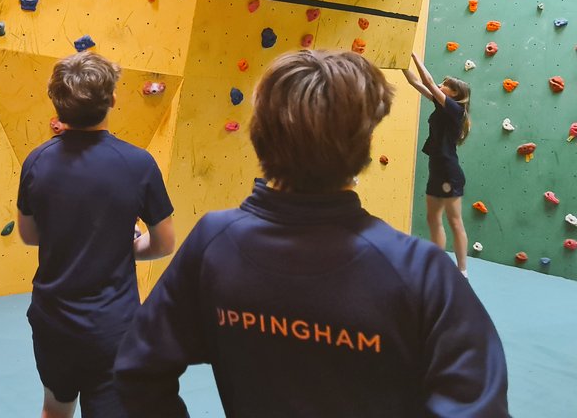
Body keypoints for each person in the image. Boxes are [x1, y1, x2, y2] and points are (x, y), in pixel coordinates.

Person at [114, 50, 508, 417]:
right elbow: (478, 404)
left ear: (259, 134)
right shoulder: (417, 270)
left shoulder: (214, 243)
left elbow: (137, 370)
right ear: (365, 145)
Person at [17, 52, 176, 418]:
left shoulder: (37, 161)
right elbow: (164, 243)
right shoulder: (138, 164)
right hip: (111, 327)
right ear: (113, 100)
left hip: (52, 319)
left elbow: (29, 235)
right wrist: (124, 246)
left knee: (55, 409)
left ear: (56, 102)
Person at [402, 51, 472, 275]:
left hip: (449, 172)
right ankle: (437, 266)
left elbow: (428, 82)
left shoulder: (456, 110)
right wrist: (400, 61)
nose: (440, 85)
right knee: (434, 219)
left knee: (455, 221)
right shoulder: (441, 107)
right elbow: (415, 82)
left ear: (455, 94)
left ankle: (462, 271)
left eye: (446, 85)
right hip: (437, 169)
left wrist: (412, 54)